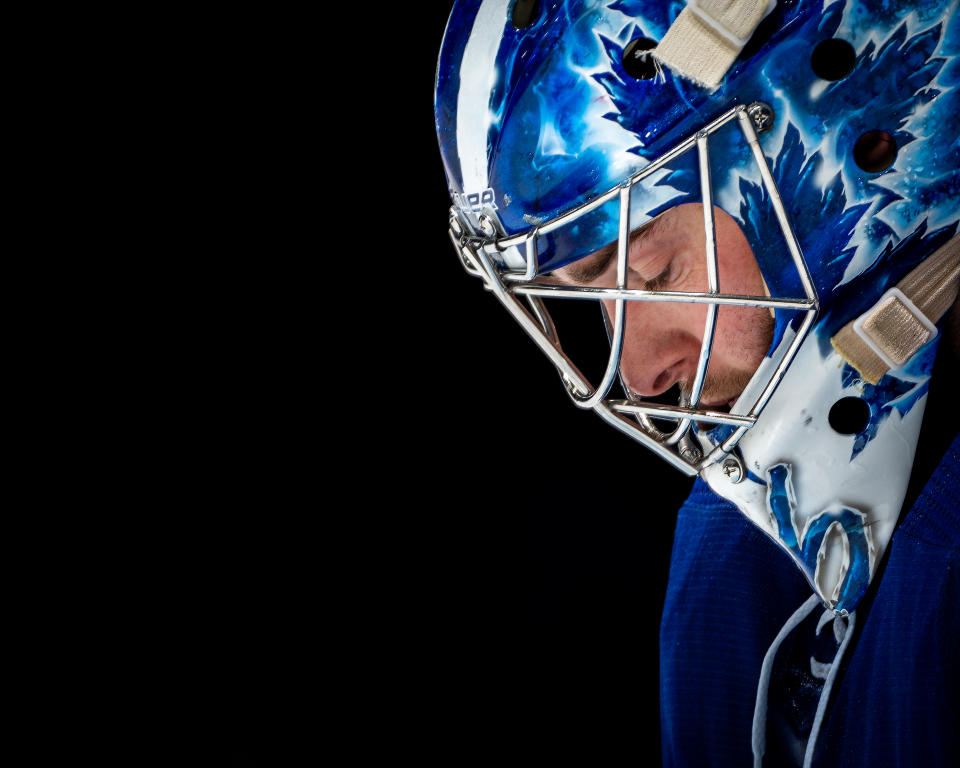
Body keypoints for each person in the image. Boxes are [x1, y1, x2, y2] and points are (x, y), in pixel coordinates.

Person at [435, 0, 959, 766]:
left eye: (651, 271)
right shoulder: (739, 557)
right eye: (594, 300)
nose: (642, 375)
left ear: (857, 127)